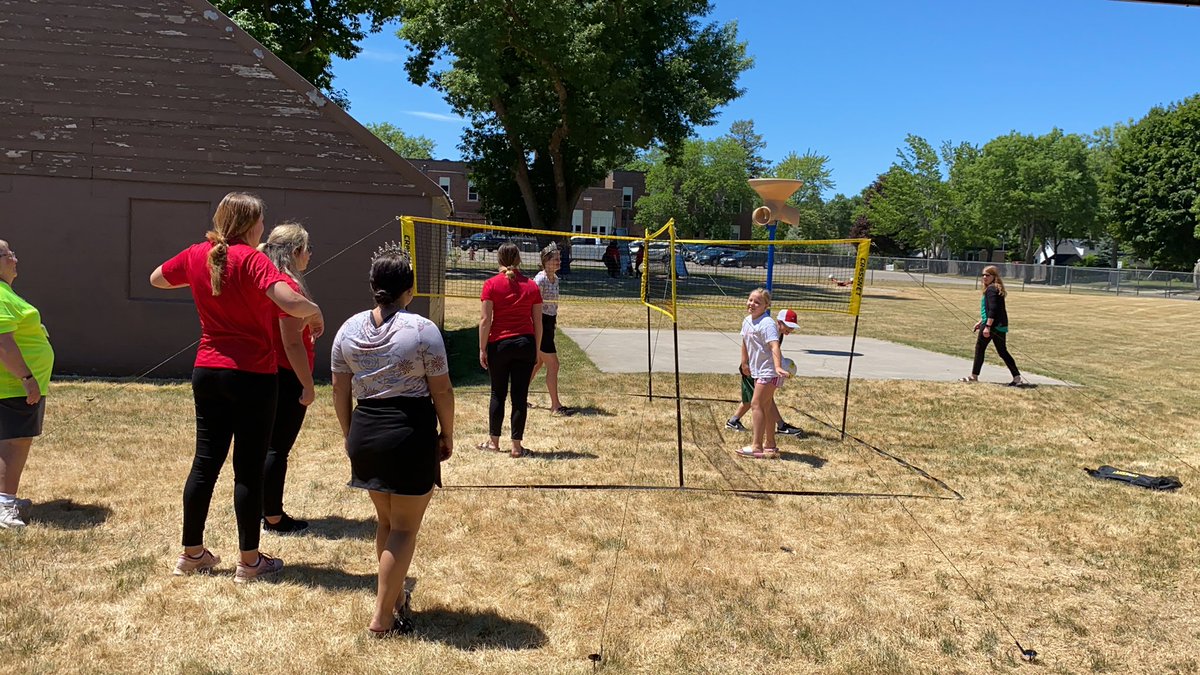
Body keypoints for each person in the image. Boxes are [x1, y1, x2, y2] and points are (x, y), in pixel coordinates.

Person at [150, 192, 324, 582]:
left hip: (207, 371)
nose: (263, 227)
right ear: (251, 225)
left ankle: (191, 553)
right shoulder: (251, 259)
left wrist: (204, 284)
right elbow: (289, 300)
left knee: (204, 463)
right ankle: (249, 562)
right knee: (247, 469)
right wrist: (314, 311)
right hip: (252, 376)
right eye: (261, 221)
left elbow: (157, 278)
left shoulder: (198, 254)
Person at [331, 245, 454, 637]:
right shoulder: (422, 330)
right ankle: (382, 619)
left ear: (373, 286)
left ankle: (396, 598)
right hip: (408, 433)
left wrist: (350, 434)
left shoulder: (347, 329)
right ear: (409, 288)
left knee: (386, 521)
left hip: (365, 429)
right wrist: (447, 433)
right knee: (403, 529)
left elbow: (339, 389)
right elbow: (443, 391)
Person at [258, 223, 318, 535]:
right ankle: (273, 517)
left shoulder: (266, 281)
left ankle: (260, 508)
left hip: (266, 371)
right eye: (307, 249)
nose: (309, 255)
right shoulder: (287, 286)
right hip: (285, 374)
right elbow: (292, 342)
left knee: (265, 445)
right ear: (295, 252)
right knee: (276, 448)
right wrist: (307, 384)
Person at [0, 240, 52, 529]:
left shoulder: (5, 292)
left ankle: (4, 497)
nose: (15, 259)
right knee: (14, 443)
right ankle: (5, 504)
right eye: (9, 254)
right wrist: (27, 378)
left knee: (12, 441)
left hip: (14, 384)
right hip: (12, 385)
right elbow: (2, 342)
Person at [478, 243, 542, 457]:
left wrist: (482, 348)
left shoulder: (490, 285)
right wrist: (538, 350)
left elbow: (485, 320)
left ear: (499, 260)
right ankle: (516, 447)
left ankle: (494, 442)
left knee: (498, 393)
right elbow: (538, 322)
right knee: (519, 396)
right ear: (519, 259)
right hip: (525, 343)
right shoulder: (532, 286)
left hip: (499, 344)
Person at [726, 307, 805, 438]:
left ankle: (734, 421)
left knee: (758, 399)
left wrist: (781, 365)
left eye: (792, 328)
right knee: (758, 401)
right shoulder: (769, 329)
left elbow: (772, 352)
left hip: (762, 369)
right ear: (779, 322)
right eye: (788, 326)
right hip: (752, 368)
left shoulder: (779, 334)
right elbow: (746, 342)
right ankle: (780, 426)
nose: (790, 330)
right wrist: (745, 363)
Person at [734, 288, 791, 459]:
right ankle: (770, 445)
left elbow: (774, 346)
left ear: (766, 306)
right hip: (758, 369)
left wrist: (778, 367)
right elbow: (745, 341)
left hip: (769, 370)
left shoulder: (767, 324)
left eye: (757, 302)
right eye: (750, 300)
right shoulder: (747, 320)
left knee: (756, 404)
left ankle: (756, 446)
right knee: (765, 406)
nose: (752, 304)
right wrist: (745, 362)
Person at [961, 265, 1027, 386]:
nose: (984, 277)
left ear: (994, 277)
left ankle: (974, 376)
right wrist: (981, 321)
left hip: (992, 325)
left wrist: (987, 326)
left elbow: (993, 309)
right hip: (999, 325)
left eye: (988, 275)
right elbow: (992, 309)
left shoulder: (991, 289)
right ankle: (1017, 377)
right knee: (1002, 351)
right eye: (983, 275)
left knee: (980, 349)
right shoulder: (996, 288)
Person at [529, 243, 573, 416]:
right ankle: (556, 406)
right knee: (553, 365)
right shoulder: (539, 280)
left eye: (559, 259)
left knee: (538, 363)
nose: (558, 262)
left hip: (549, 323)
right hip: (540, 324)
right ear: (546, 261)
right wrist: (537, 328)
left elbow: (552, 306)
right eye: (555, 259)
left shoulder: (556, 279)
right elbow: (532, 306)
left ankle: (519, 396)